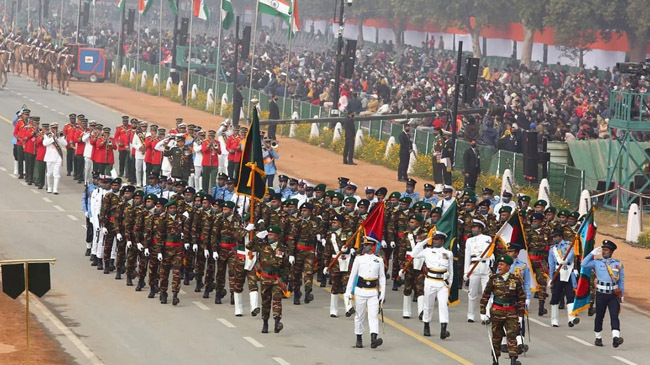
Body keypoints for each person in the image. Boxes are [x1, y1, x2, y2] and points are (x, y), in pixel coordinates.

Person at [480, 255, 526, 365]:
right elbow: (485, 295)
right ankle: (495, 360)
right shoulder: (493, 279)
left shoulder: (515, 279)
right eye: (499, 264)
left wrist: (520, 314)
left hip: (511, 312)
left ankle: (513, 360)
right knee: (496, 337)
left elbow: (521, 297)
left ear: (508, 267)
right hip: (497, 311)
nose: (499, 267)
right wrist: (483, 312)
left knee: (512, 336)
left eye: (502, 265)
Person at [408, 231, 453, 339]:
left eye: (437, 239)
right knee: (428, 305)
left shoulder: (448, 253)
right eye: (434, 239)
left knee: (443, 306)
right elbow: (413, 254)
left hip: (442, 283)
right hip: (430, 281)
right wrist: (425, 240)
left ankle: (443, 329)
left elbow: (451, 270)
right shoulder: (427, 251)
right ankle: (426, 325)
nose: (435, 241)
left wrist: (449, 284)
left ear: (442, 241)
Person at [581, 240, 625, 347]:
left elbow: (621, 280)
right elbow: (583, 264)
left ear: (611, 252)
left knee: (614, 316)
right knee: (600, 316)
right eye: (603, 250)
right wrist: (592, 253)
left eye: (606, 250)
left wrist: (621, 294)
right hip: (601, 294)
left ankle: (615, 338)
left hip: (613, 294)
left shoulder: (617, 264)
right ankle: (598, 337)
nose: (604, 252)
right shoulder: (597, 262)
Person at [345, 237, 385, 349]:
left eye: (368, 245)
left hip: (373, 292)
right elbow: (352, 276)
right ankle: (359, 337)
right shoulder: (359, 259)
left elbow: (382, 277)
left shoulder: (379, 260)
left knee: (373, 316)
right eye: (365, 245)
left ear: (373, 247)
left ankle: (373, 339)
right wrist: (348, 292)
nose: (365, 247)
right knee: (359, 316)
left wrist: (383, 293)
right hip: (360, 291)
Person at [249, 225, 290, 334]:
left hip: (276, 278)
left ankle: (277, 322)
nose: (269, 236)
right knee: (265, 301)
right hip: (265, 278)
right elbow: (249, 246)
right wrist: (257, 237)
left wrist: (286, 280)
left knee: (277, 300)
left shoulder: (283, 248)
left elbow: (286, 266)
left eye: (272, 235)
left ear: (277, 236)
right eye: (269, 234)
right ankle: (265, 323)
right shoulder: (262, 246)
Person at [548, 228, 580, 328]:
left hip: (568, 272)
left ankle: (571, 318)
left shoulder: (568, 245)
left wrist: (565, 260)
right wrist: (551, 277)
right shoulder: (552, 249)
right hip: (557, 274)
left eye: (556, 236)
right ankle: (554, 319)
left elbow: (571, 255)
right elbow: (551, 264)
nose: (554, 238)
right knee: (555, 297)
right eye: (553, 237)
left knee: (570, 295)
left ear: (561, 237)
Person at [464, 220, 494, 323]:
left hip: (485, 266)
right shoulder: (469, 241)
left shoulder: (487, 238)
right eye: (472, 228)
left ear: (480, 229)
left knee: (486, 293)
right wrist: (465, 272)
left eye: (475, 228)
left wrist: (491, 265)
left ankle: (486, 315)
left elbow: (491, 253)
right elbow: (467, 257)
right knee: (472, 293)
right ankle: (471, 315)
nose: (473, 229)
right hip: (474, 267)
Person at [43, 122, 68, 194]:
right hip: (49, 157)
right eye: (53, 128)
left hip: (58, 157)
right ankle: (50, 187)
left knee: (56, 174)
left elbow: (65, 143)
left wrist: (59, 138)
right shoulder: (47, 135)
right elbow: (45, 143)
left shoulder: (59, 135)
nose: (55, 129)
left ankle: (55, 189)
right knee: (49, 173)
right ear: (51, 128)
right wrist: (53, 138)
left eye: (56, 128)